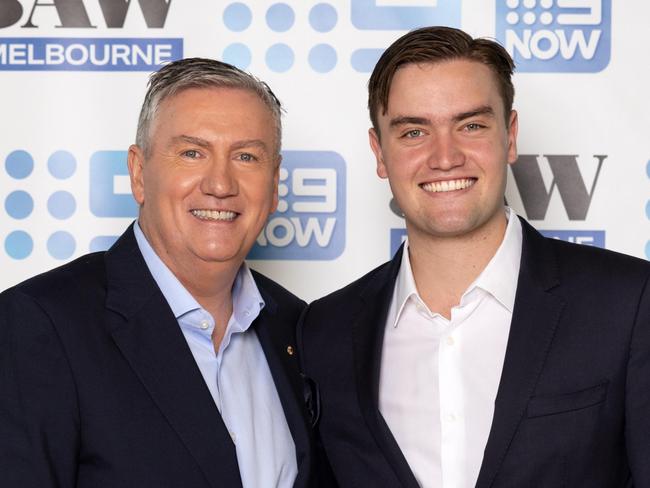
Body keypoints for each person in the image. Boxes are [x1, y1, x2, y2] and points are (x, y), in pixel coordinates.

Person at [298, 26, 650, 487]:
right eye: (413, 131)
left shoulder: (627, 304)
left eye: (471, 126)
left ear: (510, 136)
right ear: (379, 153)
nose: (445, 157)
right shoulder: (325, 331)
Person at [0, 58, 323, 487]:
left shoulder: (296, 326)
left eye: (246, 156)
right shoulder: (43, 325)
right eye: (192, 153)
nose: (220, 184)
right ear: (138, 172)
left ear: (275, 181)